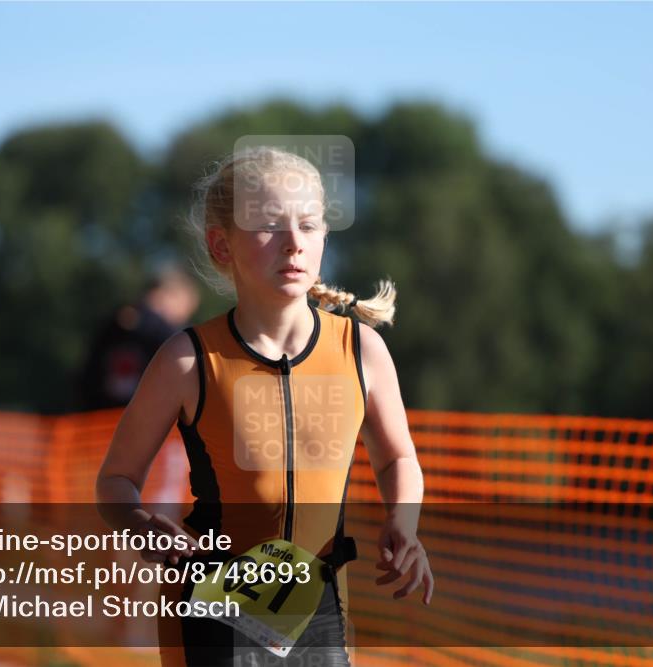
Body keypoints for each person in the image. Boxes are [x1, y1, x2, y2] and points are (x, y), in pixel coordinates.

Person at [97, 147, 433, 666]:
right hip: (209, 609)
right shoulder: (187, 360)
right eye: (270, 226)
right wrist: (139, 523)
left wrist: (404, 521)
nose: (294, 243)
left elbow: (398, 459)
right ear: (221, 245)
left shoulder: (361, 351)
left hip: (321, 612)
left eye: (308, 225)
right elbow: (115, 480)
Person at [75, 264, 200, 411]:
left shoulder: (117, 322)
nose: (184, 317)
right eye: (185, 307)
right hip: (140, 425)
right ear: (171, 296)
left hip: (100, 424)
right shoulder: (169, 335)